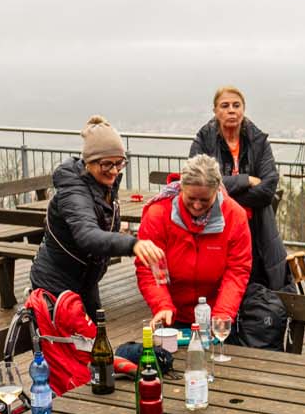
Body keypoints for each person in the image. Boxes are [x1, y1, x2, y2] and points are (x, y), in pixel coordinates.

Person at [30, 115, 165, 315]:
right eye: (106, 164)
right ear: (88, 163)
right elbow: (87, 235)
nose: (114, 171)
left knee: (96, 332)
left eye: (119, 163)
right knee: (73, 335)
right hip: (55, 285)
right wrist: (132, 244)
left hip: (86, 280)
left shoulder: (103, 185)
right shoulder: (74, 192)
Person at [135, 154, 252, 329]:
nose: (197, 206)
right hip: (172, 313)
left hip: (216, 314)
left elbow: (237, 270)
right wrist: (162, 305)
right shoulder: (158, 214)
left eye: (205, 200)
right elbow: (150, 269)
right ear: (181, 188)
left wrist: (223, 313)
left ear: (217, 190)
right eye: (191, 198)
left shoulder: (235, 216)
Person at [189, 87, 288, 290]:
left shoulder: (259, 141)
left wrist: (222, 194)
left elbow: (268, 188)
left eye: (236, 105)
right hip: (216, 227)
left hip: (256, 227)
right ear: (215, 111)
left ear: (243, 109)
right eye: (225, 106)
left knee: (255, 284)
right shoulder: (204, 140)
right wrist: (245, 180)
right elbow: (198, 183)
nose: (231, 110)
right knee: (220, 285)